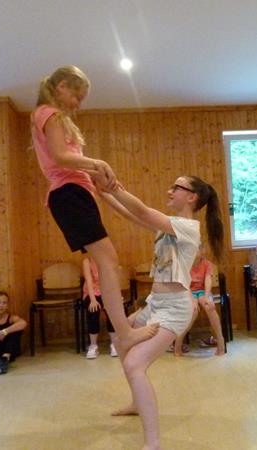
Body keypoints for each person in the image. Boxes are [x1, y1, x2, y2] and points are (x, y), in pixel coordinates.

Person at [30, 65, 157, 355]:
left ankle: (122, 332)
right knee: (108, 262)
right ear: (62, 86)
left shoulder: (54, 117)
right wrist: (99, 163)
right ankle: (123, 333)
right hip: (68, 195)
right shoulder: (48, 113)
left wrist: (104, 183)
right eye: (77, 96)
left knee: (109, 262)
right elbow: (61, 157)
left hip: (76, 194)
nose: (78, 104)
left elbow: (81, 172)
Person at [99, 175, 224, 450]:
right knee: (120, 338)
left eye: (175, 187)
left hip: (174, 309)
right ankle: (136, 402)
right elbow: (132, 214)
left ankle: (152, 443)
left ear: (191, 197)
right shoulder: (169, 224)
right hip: (156, 302)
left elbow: (142, 211)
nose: (169, 191)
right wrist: (102, 192)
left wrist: (112, 186)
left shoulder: (188, 227)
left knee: (135, 365)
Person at [172, 244, 225, 356]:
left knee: (210, 307)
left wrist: (206, 296)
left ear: (202, 250)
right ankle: (177, 345)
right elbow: (185, 285)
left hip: (202, 291)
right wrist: (192, 300)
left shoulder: (207, 264)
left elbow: (208, 280)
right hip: (187, 292)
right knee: (193, 312)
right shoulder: (184, 265)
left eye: (197, 248)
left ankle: (220, 341)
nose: (194, 251)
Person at [82, 256, 117, 359]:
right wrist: (93, 300)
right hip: (91, 292)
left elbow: (112, 280)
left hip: (106, 291)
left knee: (112, 309)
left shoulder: (108, 259)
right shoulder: (87, 261)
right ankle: (93, 346)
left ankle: (114, 344)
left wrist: (113, 296)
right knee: (93, 310)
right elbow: (89, 282)